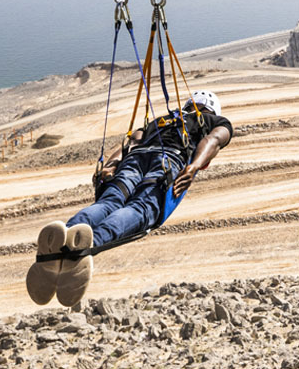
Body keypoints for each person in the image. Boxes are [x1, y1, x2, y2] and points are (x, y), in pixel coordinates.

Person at [26, 90, 233, 307]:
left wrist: (111, 165)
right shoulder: (213, 121)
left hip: (133, 160)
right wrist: (194, 165)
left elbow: (132, 142)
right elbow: (214, 139)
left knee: (108, 203)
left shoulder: (161, 120)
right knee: (141, 209)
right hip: (168, 159)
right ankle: (88, 243)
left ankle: (67, 233)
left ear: (190, 103)